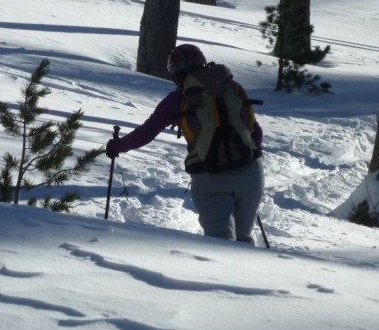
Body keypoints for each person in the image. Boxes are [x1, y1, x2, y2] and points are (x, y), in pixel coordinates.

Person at [105, 44, 265, 244]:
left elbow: (146, 133)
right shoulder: (231, 87)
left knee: (222, 245)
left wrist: (117, 146)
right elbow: (256, 133)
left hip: (209, 176)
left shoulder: (177, 100)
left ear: (176, 74)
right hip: (250, 173)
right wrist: (240, 158)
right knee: (243, 241)